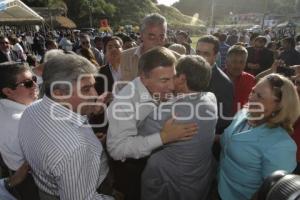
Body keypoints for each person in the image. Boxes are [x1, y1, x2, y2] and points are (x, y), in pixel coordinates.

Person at [18, 52, 113, 199]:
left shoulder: (31, 110)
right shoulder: (76, 148)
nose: (95, 94)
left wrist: (92, 140)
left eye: (94, 86)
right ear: (60, 93)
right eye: (86, 89)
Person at [107, 47, 198, 200]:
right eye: (164, 80)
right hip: (131, 169)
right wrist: (163, 137)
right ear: (143, 78)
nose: (172, 86)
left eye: (172, 78)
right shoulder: (124, 103)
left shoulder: (160, 89)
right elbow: (117, 149)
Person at [141, 55, 218, 200]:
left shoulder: (167, 112)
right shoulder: (211, 98)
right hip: (199, 179)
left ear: (182, 79)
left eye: (173, 75)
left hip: (170, 185)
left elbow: (139, 137)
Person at [218, 73, 300, 200]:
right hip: (220, 187)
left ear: (278, 106)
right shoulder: (244, 113)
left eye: (260, 96)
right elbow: (228, 139)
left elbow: (270, 192)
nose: (251, 98)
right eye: (253, 91)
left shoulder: (282, 145)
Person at [0, 61, 39, 199]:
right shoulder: (23, 121)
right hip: (34, 182)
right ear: (8, 91)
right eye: (28, 83)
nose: (35, 85)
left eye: (34, 79)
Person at [196, 35, 234, 135]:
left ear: (216, 55)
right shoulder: (188, 72)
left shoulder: (224, 83)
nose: (200, 57)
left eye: (206, 54)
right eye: (198, 52)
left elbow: (223, 120)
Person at [120, 13, 168, 82]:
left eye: (161, 36)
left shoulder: (177, 60)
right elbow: (120, 89)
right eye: (152, 37)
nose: (157, 41)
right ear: (142, 35)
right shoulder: (124, 57)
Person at [224, 45, 256, 114]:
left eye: (242, 62)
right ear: (226, 62)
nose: (238, 65)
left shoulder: (250, 80)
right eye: (234, 61)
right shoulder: (216, 78)